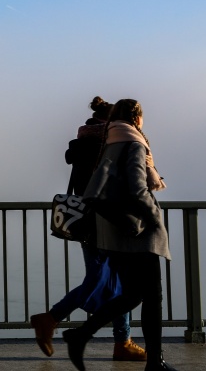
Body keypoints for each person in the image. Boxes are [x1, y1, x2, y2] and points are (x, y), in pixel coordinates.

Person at [62, 99, 177, 371]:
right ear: (137, 118)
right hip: (138, 231)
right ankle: (155, 362)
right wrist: (154, 219)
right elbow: (138, 189)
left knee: (134, 294)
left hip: (112, 232)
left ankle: (81, 335)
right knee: (152, 298)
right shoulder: (135, 144)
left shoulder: (109, 142)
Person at [31, 97, 146, 361]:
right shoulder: (107, 144)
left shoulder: (86, 142)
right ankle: (51, 318)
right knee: (103, 280)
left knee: (113, 281)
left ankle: (122, 341)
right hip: (107, 221)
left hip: (88, 221)